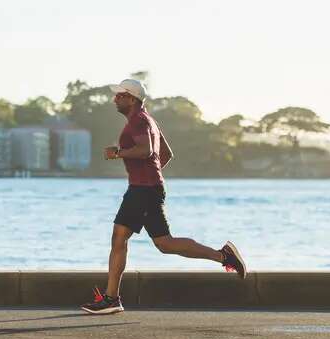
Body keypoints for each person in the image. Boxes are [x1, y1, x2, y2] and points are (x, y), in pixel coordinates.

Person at [80, 79, 246, 315]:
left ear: (132, 98)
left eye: (119, 95)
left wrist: (117, 153)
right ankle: (223, 256)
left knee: (120, 239)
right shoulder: (148, 121)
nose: (115, 99)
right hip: (148, 188)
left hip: (142, 190)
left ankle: (111, 298)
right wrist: (151, 175)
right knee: (164, 243)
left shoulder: (138, 121)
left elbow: (147, 151)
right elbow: (165, 154)